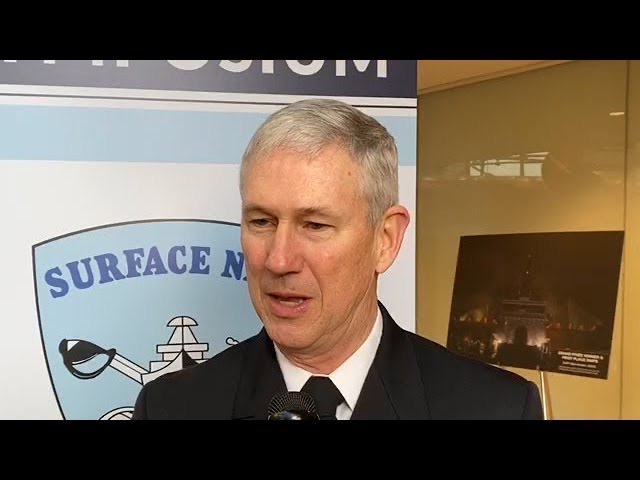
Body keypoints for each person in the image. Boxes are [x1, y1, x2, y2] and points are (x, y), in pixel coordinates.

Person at [132, 98, 544, 420]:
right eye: (261, 221)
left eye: (315, 225)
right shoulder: (171, 407)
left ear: (385, 239)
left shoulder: (496, 408)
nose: (278, 260)